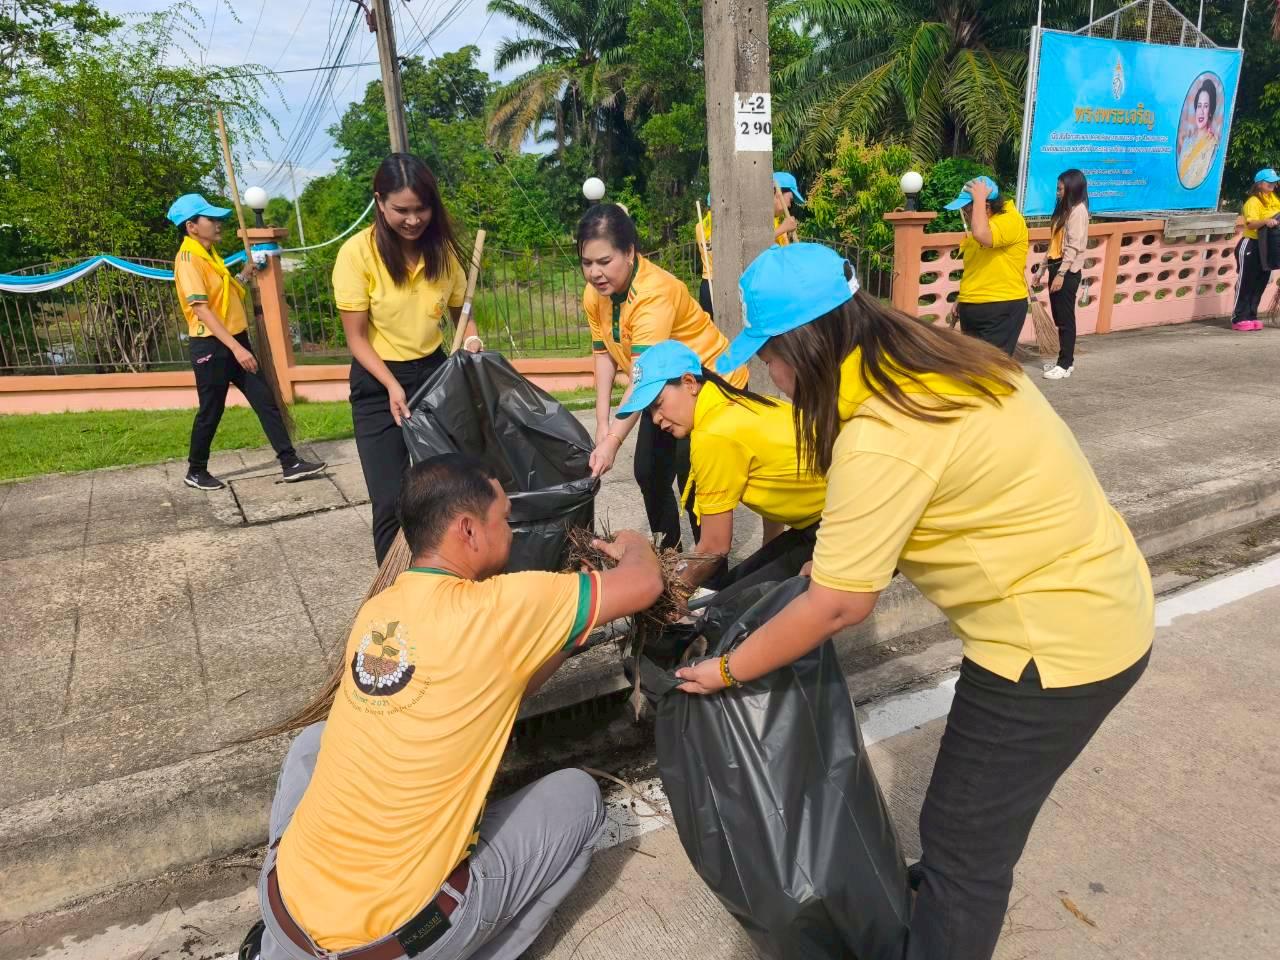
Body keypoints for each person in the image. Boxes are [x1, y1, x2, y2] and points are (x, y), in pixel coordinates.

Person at [680, 242, 1153, 960]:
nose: (770, 380)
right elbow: (930, 504)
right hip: (1104, 598)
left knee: (964, 853)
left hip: (1052, 647)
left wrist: (726, 670)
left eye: (769, 358)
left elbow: (839, 606)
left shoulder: (882, 430)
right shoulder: (943, 360)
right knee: (968, 832)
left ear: (801, 347)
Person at [251, 454, 663, 960]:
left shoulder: (379, 612)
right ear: (469, 530)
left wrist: (565, 632)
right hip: (386, 946)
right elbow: (647, 585)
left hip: (283, 908)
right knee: (579, 797)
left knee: (312, 742)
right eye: (504, 520)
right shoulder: (505, 606)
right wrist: (633, 544)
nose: (510, 531)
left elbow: (514, 682)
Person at [334, 153, 483, 565]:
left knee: (447, 490)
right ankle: (395, 594)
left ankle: (449, 578)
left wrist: (471, 343)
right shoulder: (357, 254)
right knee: (390, 498)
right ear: (380, 202)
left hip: (435, 373)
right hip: (377, 379)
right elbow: (356, 338)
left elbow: (462, 315)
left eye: (422, 209)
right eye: (402, 210)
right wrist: (391, 385)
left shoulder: (442, 250)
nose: (413, 220)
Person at [580, 203, 747, 550]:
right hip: (663, 386)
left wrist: (613, 442)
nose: (595, 273)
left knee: (695, 477)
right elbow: (604, 354)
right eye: (587, 263)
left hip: (708, 381)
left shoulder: (654, 293)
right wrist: (601, 424)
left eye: (604, 261)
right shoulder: (596, 295)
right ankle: (670, 556)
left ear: (629, 253)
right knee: (650, 472)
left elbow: (641, 377)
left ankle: (708, 576)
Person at [615, 338, 826, 602]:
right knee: (743, 587)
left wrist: (671, 596)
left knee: (725, 610)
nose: (656, 419)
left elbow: (714, 547)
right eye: (650, 411)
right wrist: (769, 552)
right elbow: (776, 483)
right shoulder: (739, 403)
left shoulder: (713, 434)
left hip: (839, 524)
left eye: (658, 403)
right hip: (828, 516)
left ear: (690, 383)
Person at [167, 194, 325, 491]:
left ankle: (289, 462)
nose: (218, 224)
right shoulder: (188, 260)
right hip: (212, 347)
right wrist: (237, 349)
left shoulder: (209, 255)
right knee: (211, 410)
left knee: (265, 400)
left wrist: (241, 276)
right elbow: (202, 309)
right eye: (210, 219)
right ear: (191, 226)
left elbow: (222, 299)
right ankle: (196, 470)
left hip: (234, 340)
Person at [693, 173, 803, 317]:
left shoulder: (699, 226)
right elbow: (750, 245)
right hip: (724, 283)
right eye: (790, 199)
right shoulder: (740, 224)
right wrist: (782, 229)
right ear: (777, 193)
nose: (789, 205)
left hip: (708, 283)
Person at [945, 176, 1030, 356]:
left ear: (986, 206)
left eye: (968, 209)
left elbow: (983, 234)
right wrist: (962, 298)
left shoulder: (1010, 220)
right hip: (973, 305)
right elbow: (977, 267)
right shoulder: (979, 227)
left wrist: (979, 199)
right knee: (973, 368)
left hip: (1001, 306)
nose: (966, 215)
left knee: (991, 370)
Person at [1043, 169, 1090, 379]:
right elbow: (1053, 243)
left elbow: (1074, 247)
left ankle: (1065, 364)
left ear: (1071, 188)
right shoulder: (1064, 210)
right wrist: (1043, 269)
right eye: (1057, 188)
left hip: (1067, 271)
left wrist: (1061, 274)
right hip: (1055, 266)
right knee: (1059, 317)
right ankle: (1063, 360)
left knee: (1065, 319)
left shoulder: (1078, 211)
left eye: (1060, 188)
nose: (1057, 192)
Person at [1231, 168, 1280, 332]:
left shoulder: (1273, 198)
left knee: (1260, 282)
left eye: (1274, 181)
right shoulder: (1253, 201)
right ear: (1259, 184)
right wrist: (1266, 221)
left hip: (1266, 246)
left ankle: (1251, 316)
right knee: (1246, 282)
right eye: (1269, 181)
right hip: (1251, 244)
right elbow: (1251, 224)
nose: (1273, 184)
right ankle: (1239, 318)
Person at [1178, 79, 1219, 189]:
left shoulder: (1213, 145)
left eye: (1205, 106)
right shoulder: (1187, 141)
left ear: (1210, 112)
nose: (1201, 112)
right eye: (1199, 106)